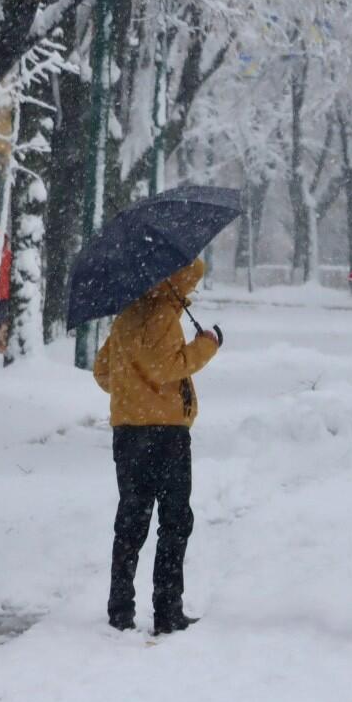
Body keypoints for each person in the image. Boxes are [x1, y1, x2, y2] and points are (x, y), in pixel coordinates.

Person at [92, 258, 221, 635]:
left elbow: (103, 372)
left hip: (128, 433)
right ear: (176, 281)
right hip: (166, 434)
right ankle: (167, 610)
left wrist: (132, 390)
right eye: (190, 284)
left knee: (131, 520)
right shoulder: (164, 315)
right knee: (175, 521)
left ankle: (120, 608)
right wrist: (206, 345)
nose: (191, 291)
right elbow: (168, 367)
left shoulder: (126, 315)